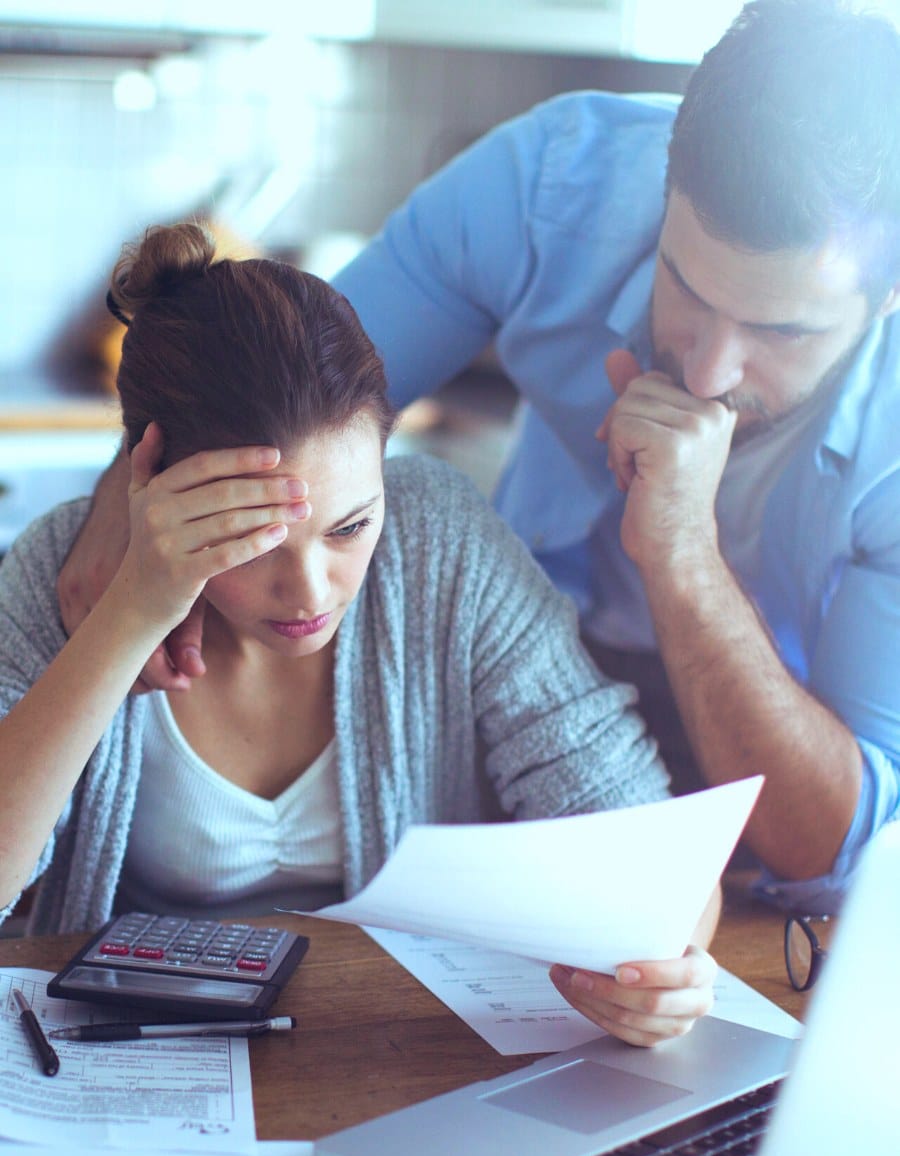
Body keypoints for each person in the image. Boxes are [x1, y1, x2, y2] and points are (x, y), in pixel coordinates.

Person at [58, 0, 900, 915]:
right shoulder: (554, 183)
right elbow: (285, 399)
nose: (704, 371)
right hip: (536, 681)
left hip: (778, 747)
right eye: (685, 287)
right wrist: (130, 490)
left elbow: (829, 853)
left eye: (779, 330)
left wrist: (684, 556)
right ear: (665, 187)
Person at [0, 222, 721, 1047]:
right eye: (257, 543)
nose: (310, 592)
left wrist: (672, 967)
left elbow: (640, 834)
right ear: (153, 488)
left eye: (349, 527)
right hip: (132, 1058)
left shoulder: (440, 543)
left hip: (393, 1051)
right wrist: (128, 615)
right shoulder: (64, 566)